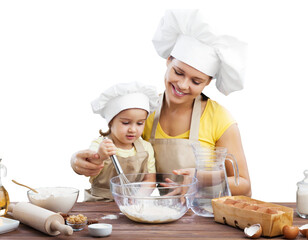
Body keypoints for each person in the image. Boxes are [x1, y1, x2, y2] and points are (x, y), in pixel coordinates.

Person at [71, 10, 251, 197]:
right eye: (178, 72)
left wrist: (199, 180)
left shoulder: (219, 118)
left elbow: (244, 185)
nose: (182, 85)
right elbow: (113, 149)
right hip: (167, 215)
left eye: (196, 81)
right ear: (168, 61)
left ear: (208, 82)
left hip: (207, 215)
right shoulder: (144, 112)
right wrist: (78, 161)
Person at [83, 81, 159, 201]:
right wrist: (101, 156)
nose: (133, 129)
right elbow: (89, 167)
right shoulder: (100, 144)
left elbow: (150, 179)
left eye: (140, 123)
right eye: (125, 122)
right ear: (111, 121)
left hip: (131, 204)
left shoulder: (146, 148)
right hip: (98, 204)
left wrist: (137, 197)